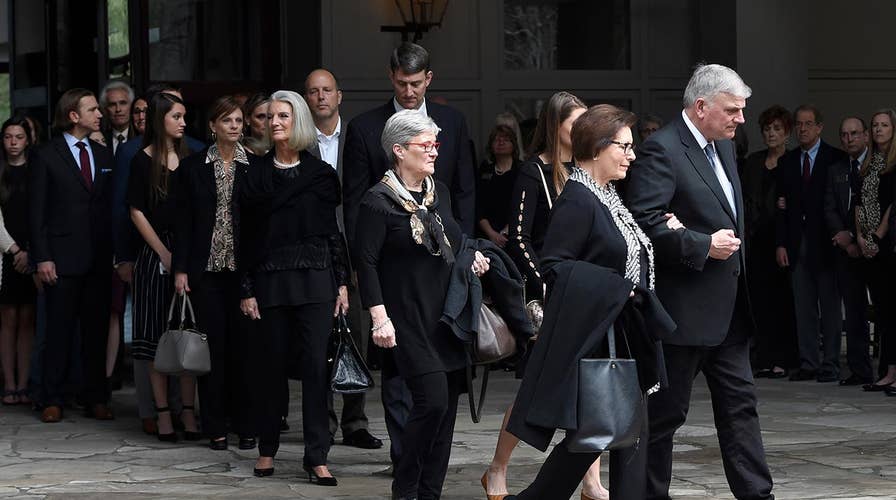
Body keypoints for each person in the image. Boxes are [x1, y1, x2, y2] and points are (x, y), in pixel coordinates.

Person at [506, 105, 677, 500]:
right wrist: (620, 288)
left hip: (624, 331)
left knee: (613, 432)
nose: (632, 155)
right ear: (598, 147)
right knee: (600, 432)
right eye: (625, 146)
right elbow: (555, 266)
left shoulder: (608, 195)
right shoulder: (579, 199)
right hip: (599, 336)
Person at [625, 63, 775, 500]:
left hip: (729, 312)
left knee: (741, 410)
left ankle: (758, 494)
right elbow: (644, 222)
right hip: (682, 313)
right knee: (666, 417)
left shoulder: (724, 146)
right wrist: (700, 245)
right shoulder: (662, 150)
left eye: (742, 110)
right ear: (702, 105)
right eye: (733, 110)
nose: (741, 119)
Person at [341, 41, 476, 468]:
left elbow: (464, 191)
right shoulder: (365, 128)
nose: (409, 90)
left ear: (428, 80)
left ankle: (424, 465)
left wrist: (466, 252)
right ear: (391, 77)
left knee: (443, 386)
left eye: (416, 83)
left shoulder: (452, 122)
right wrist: (363, 269)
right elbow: (355, 201)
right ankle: (406, 460)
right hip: (397, 274)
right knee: (402, 378)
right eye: (402, 83)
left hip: (443, 275)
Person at [355, 109, 488, 500]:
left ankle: (429, 493)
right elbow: (366, 261)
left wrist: (472, 257)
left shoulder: (439, 192)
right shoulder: (377, 201)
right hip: (406, 319)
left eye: (435, 144)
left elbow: (456, 240)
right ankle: (405, 487)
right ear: (399, 150)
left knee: (446, 414)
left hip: (446, 317)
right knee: (432, 402)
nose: (433, 151)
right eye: (425, 145)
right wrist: (379, 318)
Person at [483, 91, 598, 500]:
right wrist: (546, 284)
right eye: (575, 122)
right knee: (536, 388)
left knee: (590, 388)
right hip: (551, 295)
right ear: (555, 126)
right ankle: (497, 468)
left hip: (587, 293)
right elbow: (519, 237)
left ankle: (591, 480)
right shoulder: (535, 171)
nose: (584, 129)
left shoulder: (588, 167)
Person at [237, 90, 348, 483]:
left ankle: (317, 455)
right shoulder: (253, 173)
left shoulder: (321, 175)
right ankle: (267, 449)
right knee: (270, 369)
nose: (275, 122)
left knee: (317, 369)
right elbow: (244, 236)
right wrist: (246, 288)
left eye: (283, 115)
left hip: (316, 278)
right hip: (269, 282)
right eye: (270, 116)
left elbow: (331, 233)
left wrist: (342, 282)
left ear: (298, 120)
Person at [112, 83, 201, 435]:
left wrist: (184, 255)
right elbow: (135, 211)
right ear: (160, 119)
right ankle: (163, 412)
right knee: (153, 338)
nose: (182, 123)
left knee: (188, 334)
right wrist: (163, 253)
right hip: (154, 255)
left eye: (184, 117)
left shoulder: (194, 157)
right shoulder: (140, 160)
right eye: (176, 117)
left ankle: (189, 412)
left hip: (189, 253)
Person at [304, 68, 384, 450]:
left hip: (355, 251)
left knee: (357, 333)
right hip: (317, 252)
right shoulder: (299, 142)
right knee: (321, 339)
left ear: (340, 96)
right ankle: (326, 422)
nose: (321, 97)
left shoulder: (361, 136)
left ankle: (355, 421)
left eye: (327, 90)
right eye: (313, 91)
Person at [173, 96, 255, 450]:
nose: (235, 126)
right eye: (227, 121)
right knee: (212, 352)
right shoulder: (192, 168)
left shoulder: (256, 166)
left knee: (245, 352)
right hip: (205, 271)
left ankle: (247, 424)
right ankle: (215, 426)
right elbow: (183, 224)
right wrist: (180, 269)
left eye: (238, 120)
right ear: (212, 126)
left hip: (244, 274)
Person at [29, 88, 115, 423]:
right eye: (93, 110)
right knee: (59, 331)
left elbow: (108, 207)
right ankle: (52, 397)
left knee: (95, 331)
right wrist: (43, 257)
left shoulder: (102, 153)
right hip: (61, 259)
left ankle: (96, 397)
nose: (100, 115)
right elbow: (37, 213)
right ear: (73, 115)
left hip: (98, 258)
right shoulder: (46, 155)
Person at [775, 105, 847, 383]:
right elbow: (781, 208)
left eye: (808, 124)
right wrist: (780, 244)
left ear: (819, 127)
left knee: (829, 307)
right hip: (795, 243)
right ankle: (809, 362)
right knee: (803, 306)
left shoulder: (834, 158)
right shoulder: (788, 161)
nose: (803, 129)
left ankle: (830, 363)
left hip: (826, 243)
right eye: (799, 124)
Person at [741, 105, 797, 378]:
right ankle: (763, 356)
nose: (771, 134)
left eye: (777, 129)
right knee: (759, 300)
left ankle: (783, 358)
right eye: (767, 129)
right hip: (756, 239)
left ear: (787, 133)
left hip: (781, 239)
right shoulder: (753, 161)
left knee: (782, 300)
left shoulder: (793, 160)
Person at [827, 117, 873, 386]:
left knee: (885, 311)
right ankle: (860, 369)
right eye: (844, 135)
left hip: (874, 249)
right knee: (854, 312)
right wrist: (845, 239)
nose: (849, 139)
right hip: (845, 250)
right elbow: (829, 207)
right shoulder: (836, 169)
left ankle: (887, 369)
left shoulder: (879, 165)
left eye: (855, 134)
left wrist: (861, 238)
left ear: (866, 136)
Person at [856, 109, 896, 394]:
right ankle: (889, 371)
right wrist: (860, 237)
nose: (879, 129)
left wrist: (878, 236)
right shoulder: (869, 163)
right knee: (883, 311)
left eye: (884, 125)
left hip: (888, 243)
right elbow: (859, 201)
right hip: (868, 245)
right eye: (875, 125)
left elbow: (893, 203)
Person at [0, 116, 36, 405]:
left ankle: (24, 384)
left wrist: (30, 252)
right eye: (8, 136)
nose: (13, 142)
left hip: (32, 254)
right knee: (7, 319)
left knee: (28, 320)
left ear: (28, 140)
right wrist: (14, 251)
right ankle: (9, 384)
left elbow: (41, 215)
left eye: (19, 137)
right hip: (5, 258)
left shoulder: (37, 171)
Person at [477, 124, 520, 248]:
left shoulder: (522, 171)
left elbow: (525, 205)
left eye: (506, 139)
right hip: (487, 235)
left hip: (515, 234)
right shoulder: (484, 171)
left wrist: (507, 230)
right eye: (497, 140)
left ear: (513, 144)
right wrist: (492, 234)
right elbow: (479, 206)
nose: (501, 143)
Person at [99, 80, 135, 155]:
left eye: (123, 103)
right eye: (112, 104)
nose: (118, 109)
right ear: (105, 109)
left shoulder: (141, 138)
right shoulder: (99, 139)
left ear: (132, 106)